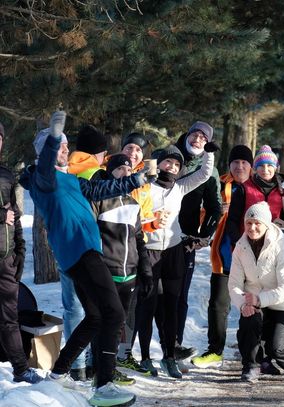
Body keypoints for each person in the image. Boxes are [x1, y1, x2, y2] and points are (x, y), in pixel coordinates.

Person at [20, 111, 153, 407]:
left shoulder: (71, 180)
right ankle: (104, 385)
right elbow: (46, 162)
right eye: (61, 146)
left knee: (95, 316)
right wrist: (54, 137)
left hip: (86, 252)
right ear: (46, 151)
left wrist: (134, 181)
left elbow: (100, 189)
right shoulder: (43, 179)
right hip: (80, 252)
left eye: (66, 145)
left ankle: (59, 372)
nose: (66, 150)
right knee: (114, 313)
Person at [136, 142, 216, 378]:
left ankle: (169, 357)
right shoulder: (145, 186)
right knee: (147, 306)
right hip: (149, 251)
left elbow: (204, 174)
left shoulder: (180, 188)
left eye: (176, 164)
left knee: (171, 306)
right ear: (159, 163)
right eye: (168, 162)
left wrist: (208, 153)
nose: (172, 167)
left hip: (173, 252)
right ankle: (145, 358)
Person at [89, 154, 154, 383]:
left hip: (129, 274)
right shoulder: (99, 200)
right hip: (105, 271)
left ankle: (109, 368)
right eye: (120, 169)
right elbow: (90, 234)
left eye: (129, 169)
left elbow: (139, 240)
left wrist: (146, 271)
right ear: (110, 172)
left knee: (118, 324)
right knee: (102, 321)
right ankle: (98, 370)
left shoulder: (133, 204)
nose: (126, 173)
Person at [192, 145, 253, 369]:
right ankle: (214, 351)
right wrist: (217, 211)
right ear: (229, 165)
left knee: (254, 307)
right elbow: (203, 214)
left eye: (244, 163)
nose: (239, 167)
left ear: (251, 166)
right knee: (218, 306)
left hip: (253, 261)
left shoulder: (257, 186)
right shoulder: (218, 184)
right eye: (235, 162)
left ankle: (254, 354)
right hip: (224, 256)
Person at [228, 201, 284, 382]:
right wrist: (243, 304)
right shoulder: (240, 247)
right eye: (248, 223)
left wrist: (259, 300)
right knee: (248, 323)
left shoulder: (280, 246)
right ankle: (251, 366)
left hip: (283, 303)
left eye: (257, 223)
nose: (252, 228)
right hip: (254, 301)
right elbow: (234, 283)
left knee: (276, 348)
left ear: (267, 224)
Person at [172, 122, 221, 369]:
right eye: (195, 134)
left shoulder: (209, 170)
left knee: (179, 296)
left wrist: (204, 235)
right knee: (150, 295)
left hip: (186, 240)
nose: (198, 139)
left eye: (203, 137)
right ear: (187, 135)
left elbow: (215, 207)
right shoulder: (170, 156)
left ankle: (174, 348)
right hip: (156, 237)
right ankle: (133, 351)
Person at [64, 124, 109, 381]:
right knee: (96, 308)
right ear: (98, 153)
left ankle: (75, 366)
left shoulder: (65, 171)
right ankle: (93, 360)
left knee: (72, 306)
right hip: (90, 246)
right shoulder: (97, 174)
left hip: (65, 245)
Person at [0, 121, 41, 384]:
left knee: (9, 318)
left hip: (6, 259)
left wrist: (21, 252)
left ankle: (20, 369)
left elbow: (15, 215)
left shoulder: (6, 175)